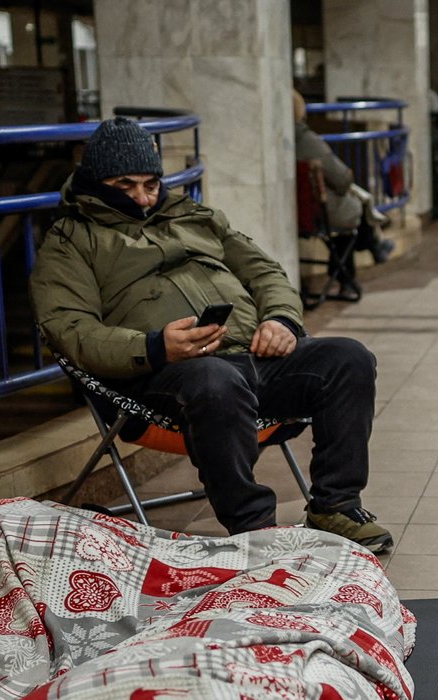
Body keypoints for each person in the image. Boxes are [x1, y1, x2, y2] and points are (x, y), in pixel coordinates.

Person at [32, 117, 394, 553]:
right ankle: (253, 527)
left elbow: (264, 272)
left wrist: (281, 319)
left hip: (251, 356)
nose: (142, 198)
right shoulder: (70, 243)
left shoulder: (195, 217)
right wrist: (154, 347)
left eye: (151, 184)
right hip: (162, 375)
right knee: (214, 380)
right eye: (125, 185)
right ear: (95, 181)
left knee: (348, 359)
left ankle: (335, 507)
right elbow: (71, 330)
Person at [294, 90, 395, 279]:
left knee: (349, 207)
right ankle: (369, 249)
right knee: (355, 210)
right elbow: (341, 178)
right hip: (315, 213)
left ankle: (369, 250)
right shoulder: (307, 141)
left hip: (296, 211)